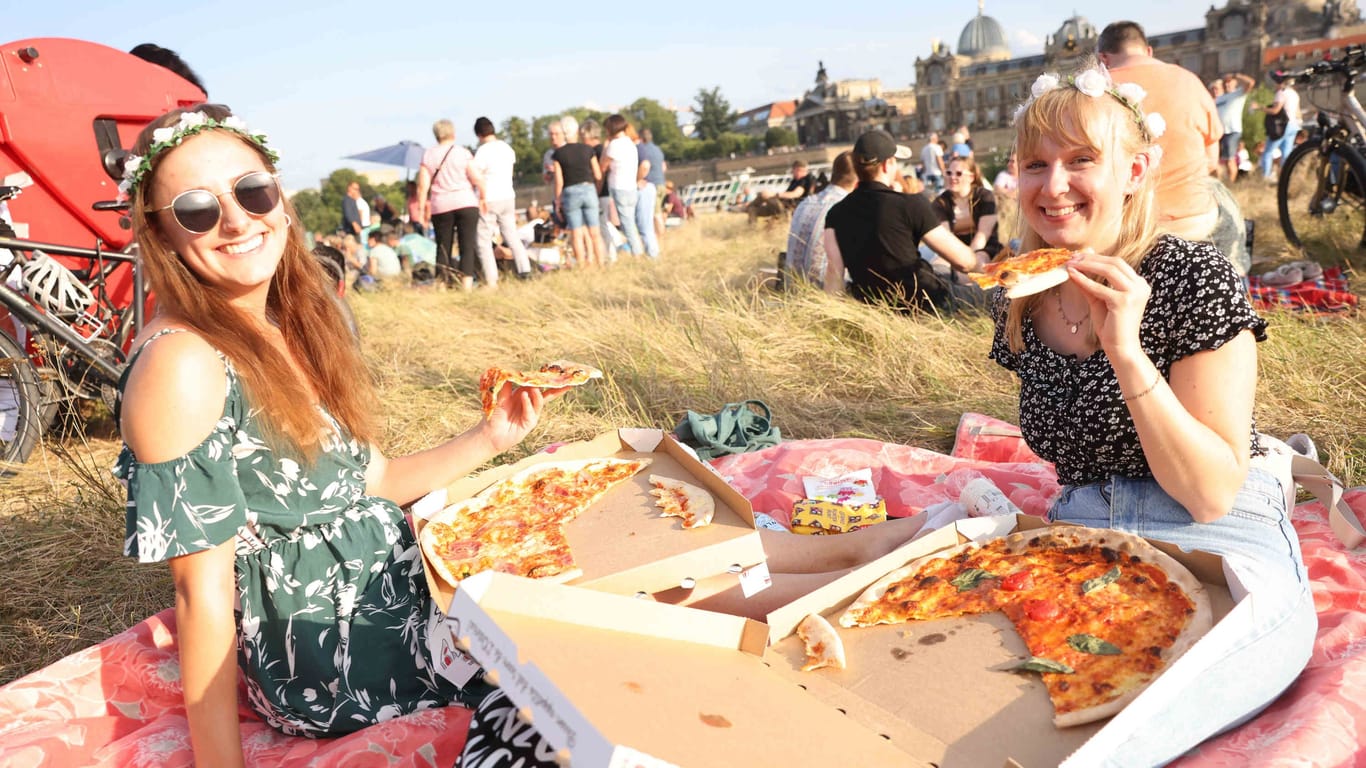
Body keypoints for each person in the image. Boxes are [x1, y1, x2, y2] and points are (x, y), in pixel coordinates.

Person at [113, 103, 564, 768]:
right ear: (161, 232)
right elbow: (199, 592)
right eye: (197, 208)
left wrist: (491, 436)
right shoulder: (183, 364)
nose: (236, 220)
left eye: (251, 190)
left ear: (278, 193)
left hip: (406, 590)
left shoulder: (283, 321)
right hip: (339, 655)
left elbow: (372, 482)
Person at [993, 62, 1315, 766]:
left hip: (1222, 540)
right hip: (1083, 542)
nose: (1053, 186)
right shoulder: (1020, 296)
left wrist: (1128, 354)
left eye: (1082, 160)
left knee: (1126, 742)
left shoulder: (1192, 278)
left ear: (1136, 169)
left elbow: (1210, 491)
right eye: (1035, 165)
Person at [822, 130, 983, 313]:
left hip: (874, 309)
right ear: (886, 165)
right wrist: (982, 264)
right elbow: (964, 262)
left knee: (942, 268)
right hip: (929, 303)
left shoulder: (835, 214)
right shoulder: (910, 204)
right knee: (999, 295)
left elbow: (834, 273)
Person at [417, 118, 487, 290]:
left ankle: (441, 284)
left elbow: (422, 185)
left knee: (442, 246)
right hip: (466, 202)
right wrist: (483, 197)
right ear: (453, 133)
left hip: (440, 205)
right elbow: (477, 178)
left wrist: (421, 208)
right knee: (467, 245)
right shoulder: (462, 152)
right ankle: (466, 285)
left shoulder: (428, 155)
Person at [473, 116, 533, 281]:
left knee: (484, 240)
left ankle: (492, 279)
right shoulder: (507, 148)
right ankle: (524, 269)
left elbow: (477, 176)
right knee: (512, 235)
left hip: (490, 198)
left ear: (478, 134)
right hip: (508, 196)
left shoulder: (482, 151)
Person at [785, 151, 856, 285]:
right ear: (857, 181)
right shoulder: (845, 207)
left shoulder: (805, 203)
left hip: (792, 289)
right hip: (823, 295)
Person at [553, 118, 607, 268]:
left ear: (563, 133)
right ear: (577, 132)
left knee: (576, 233)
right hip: (588, 189)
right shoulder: (588, 150)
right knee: (595, 232)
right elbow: (597, 174)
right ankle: (601, 263)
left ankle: (582, 265)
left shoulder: (558, 154)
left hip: (570, 192)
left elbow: (559, 181)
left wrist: (558, 201)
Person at [933, 155, 1002, 260]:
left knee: (978, 261)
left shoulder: (985, 196)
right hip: (953, 250)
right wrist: (956, 260)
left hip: (985, 247)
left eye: (958, 173)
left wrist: (966, 260)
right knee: (939, 266)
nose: (952, 177)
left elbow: (983, 235)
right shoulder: (940, 202)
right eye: (949, 173)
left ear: (971, 177)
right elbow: (946, 238)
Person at [598, 114, 645, 258]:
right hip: (631, 187)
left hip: (620, 188)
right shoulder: (630, 143)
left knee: (627, 224)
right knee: (631, 222)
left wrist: (605, 147)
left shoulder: (614, 145)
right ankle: (638, 250)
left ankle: (637, 253)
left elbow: (602, 167)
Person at [1258, 75, 1302, 181]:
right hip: (1294, 125)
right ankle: (1285, 178)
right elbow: (1298, 112)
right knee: (1286, 153)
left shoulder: (1281, 93)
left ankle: (1266, 177)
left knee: (1268, 152)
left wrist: (1259, 107)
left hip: (1282, 127)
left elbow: (1275, 110)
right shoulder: (1294, 94)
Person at [1214, 72, 1256, 182]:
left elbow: (1250, 83)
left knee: (1229, 159)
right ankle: (1219, 184)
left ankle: (1231, 184)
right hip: (1219, 132)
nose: (1227, 85)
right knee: (1215, 160)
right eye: (1225, 83)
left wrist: (1236, 75)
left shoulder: (1238, 94)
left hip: (1232, 131)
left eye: (1229, 82)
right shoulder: (1219, 99)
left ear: (1234, 83)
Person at [635, 128, 667, 258]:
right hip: (662, 183)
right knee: (657, 212)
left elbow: (644, 166)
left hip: (651, 184)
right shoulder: (658, 149)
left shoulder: (643, 150)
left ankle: (660, 238)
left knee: (655, 214)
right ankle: (659, 236)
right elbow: (664, 167)